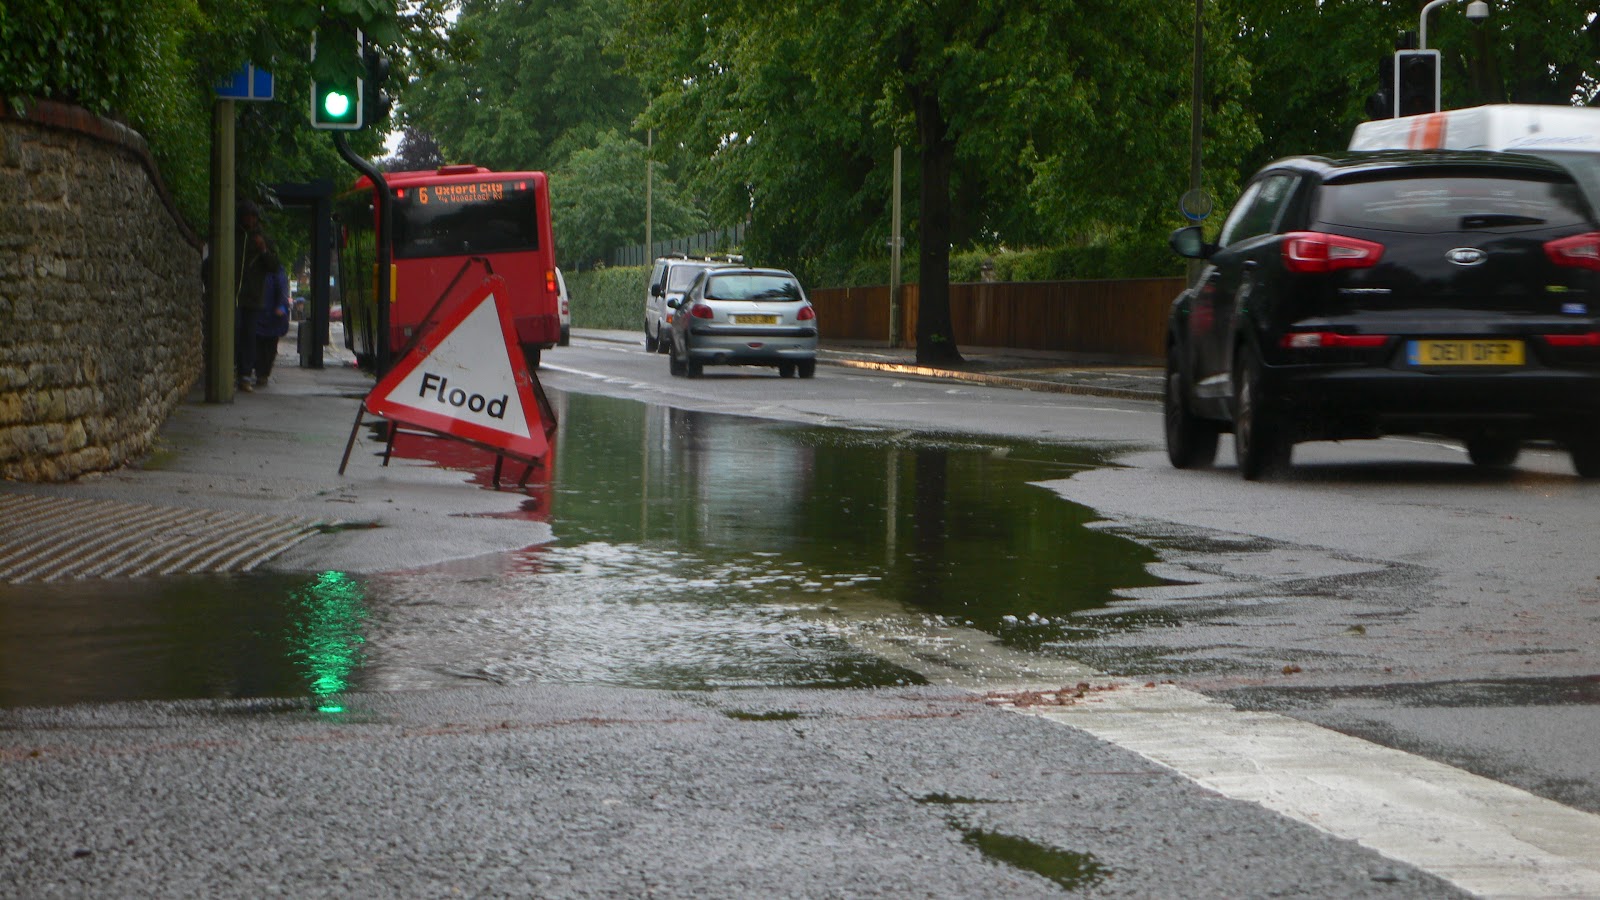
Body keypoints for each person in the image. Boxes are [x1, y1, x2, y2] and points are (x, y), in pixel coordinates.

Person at [234, 201, 278, 393]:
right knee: (234, 333)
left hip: (252, 297)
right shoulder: (233, 235)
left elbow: (274, 266)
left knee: (249, 337)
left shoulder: (262, 239)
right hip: (233, 295)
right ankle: (234, 370)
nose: (249, 220)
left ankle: (244, 375)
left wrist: (263, 250)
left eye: (252, 217)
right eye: (246, 216)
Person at [252, 261, 292, 388]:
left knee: (262, 346)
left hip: (266, 315)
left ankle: (261, 373)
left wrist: (281, 306)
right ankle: (262, 373)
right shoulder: (277, 271)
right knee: (268, 347)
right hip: (269, 316)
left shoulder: (260, 269)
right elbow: (282, 290)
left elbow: (282, 291)